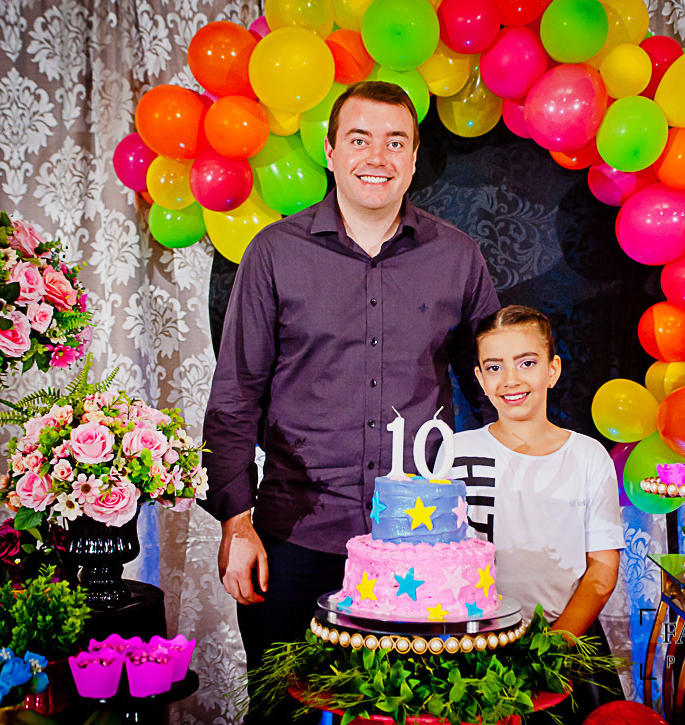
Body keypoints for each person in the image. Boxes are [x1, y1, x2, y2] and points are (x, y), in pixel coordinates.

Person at [200, 81, 500, 722]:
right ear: (331, 152)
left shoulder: (457, 257)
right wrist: (236, 524)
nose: (377, 157)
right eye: (360, 139)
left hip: (419, 548)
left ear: (413, 159)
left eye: (396, 142)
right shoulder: (274, 254)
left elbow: (496, 391)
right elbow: (234, 397)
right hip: (293, 540)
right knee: (281, 715)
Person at [445, 304, 626, 717]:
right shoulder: (454, 453)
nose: (510, 379)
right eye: (494, 367)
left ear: (552, 370)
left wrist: (549, 650)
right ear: (480, 379)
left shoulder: (587, 456)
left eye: (526, 363)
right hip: (469, 653)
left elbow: (601, 573)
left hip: (562, 645)